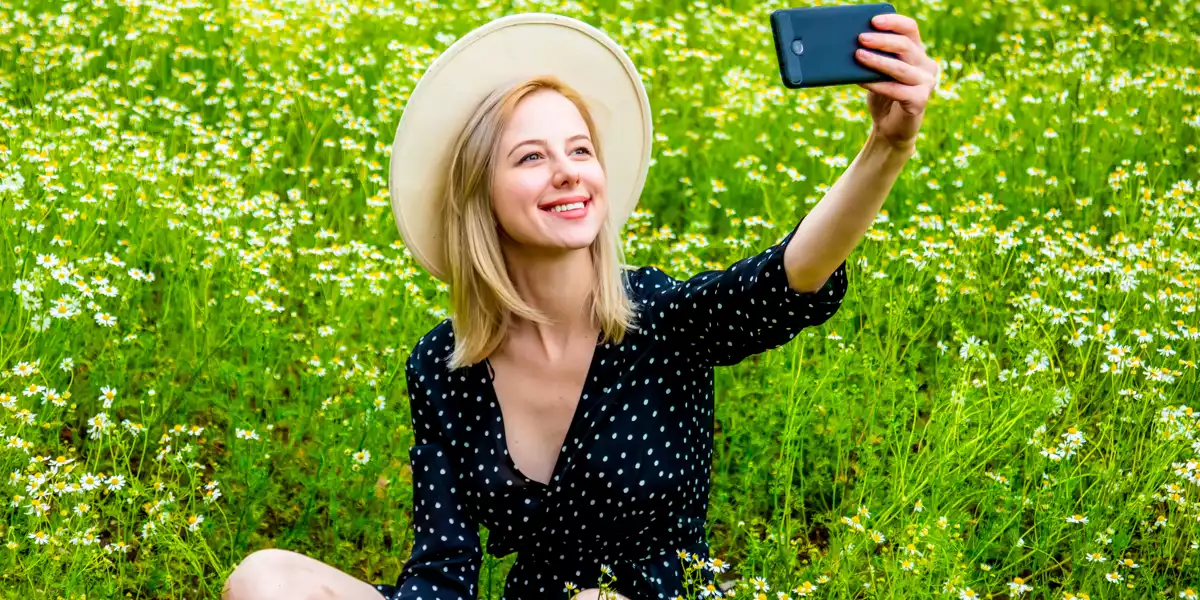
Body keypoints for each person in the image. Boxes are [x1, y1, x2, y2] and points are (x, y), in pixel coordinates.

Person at [221, 10, 937, 600]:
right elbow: (442, 565)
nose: (567, 171)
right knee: (266, 579)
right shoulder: (442, 367)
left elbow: (788, 279)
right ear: (480, 197)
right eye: (531, 157)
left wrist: (888, 145)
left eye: (580, 150)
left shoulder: (660, 318)